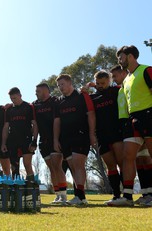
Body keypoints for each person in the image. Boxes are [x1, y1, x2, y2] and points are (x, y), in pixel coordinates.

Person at [108, 45, 152, 206]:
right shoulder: (126, 80)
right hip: (133, 120)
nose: (119, 61)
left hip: (149, 116)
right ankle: (127, 197)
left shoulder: (147, 70)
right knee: (128, 156)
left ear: (131, 56)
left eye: (121, 57)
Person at [54, 74, 96, 206]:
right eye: (58, 85)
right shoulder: (59, 101)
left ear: (69, 83)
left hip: (81, 135)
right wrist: (56, 139)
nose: (60, 87)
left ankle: (80, 196)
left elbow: (91, 115)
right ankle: (80, 197)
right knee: (72, 167)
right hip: (66, 138)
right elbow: (57, 122)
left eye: (62, 84)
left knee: (78, 165)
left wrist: (92, 134)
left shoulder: (81, 95)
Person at [82, 70, 124, 205]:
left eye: (103, 83)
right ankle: (116, 195)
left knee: (122, 163)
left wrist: (93, 85)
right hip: (101, 135)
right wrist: (87, 88)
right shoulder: (92, 97)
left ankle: (127, 194)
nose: (100, 85)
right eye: (98, 83)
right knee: (111, 166)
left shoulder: (116, 90)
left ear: (109, 81)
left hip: (117, 133)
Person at [33, 83, 67, 204]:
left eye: (38, 91)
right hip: (43, 141)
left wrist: (56, 140)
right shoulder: (35, 104)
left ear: (46, 91)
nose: (36, 93)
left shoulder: (54, 101)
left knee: (57, 166)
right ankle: (57, 195)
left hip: (55, 139)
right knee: (51, 168)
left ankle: (63, 195)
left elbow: (57, 120)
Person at [2, 87, 38, 181]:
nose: (13, 100)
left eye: (15, 98)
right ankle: (16, 188)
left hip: (26, 139)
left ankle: (31, 187)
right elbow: (6, 127)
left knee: (27, 164)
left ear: (20, 95)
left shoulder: (29, 107)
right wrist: (3, 143)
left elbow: (34, 124)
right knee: (14, 166)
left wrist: (34, 140)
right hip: (13, 140)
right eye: (11, 99)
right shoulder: (9, 110)